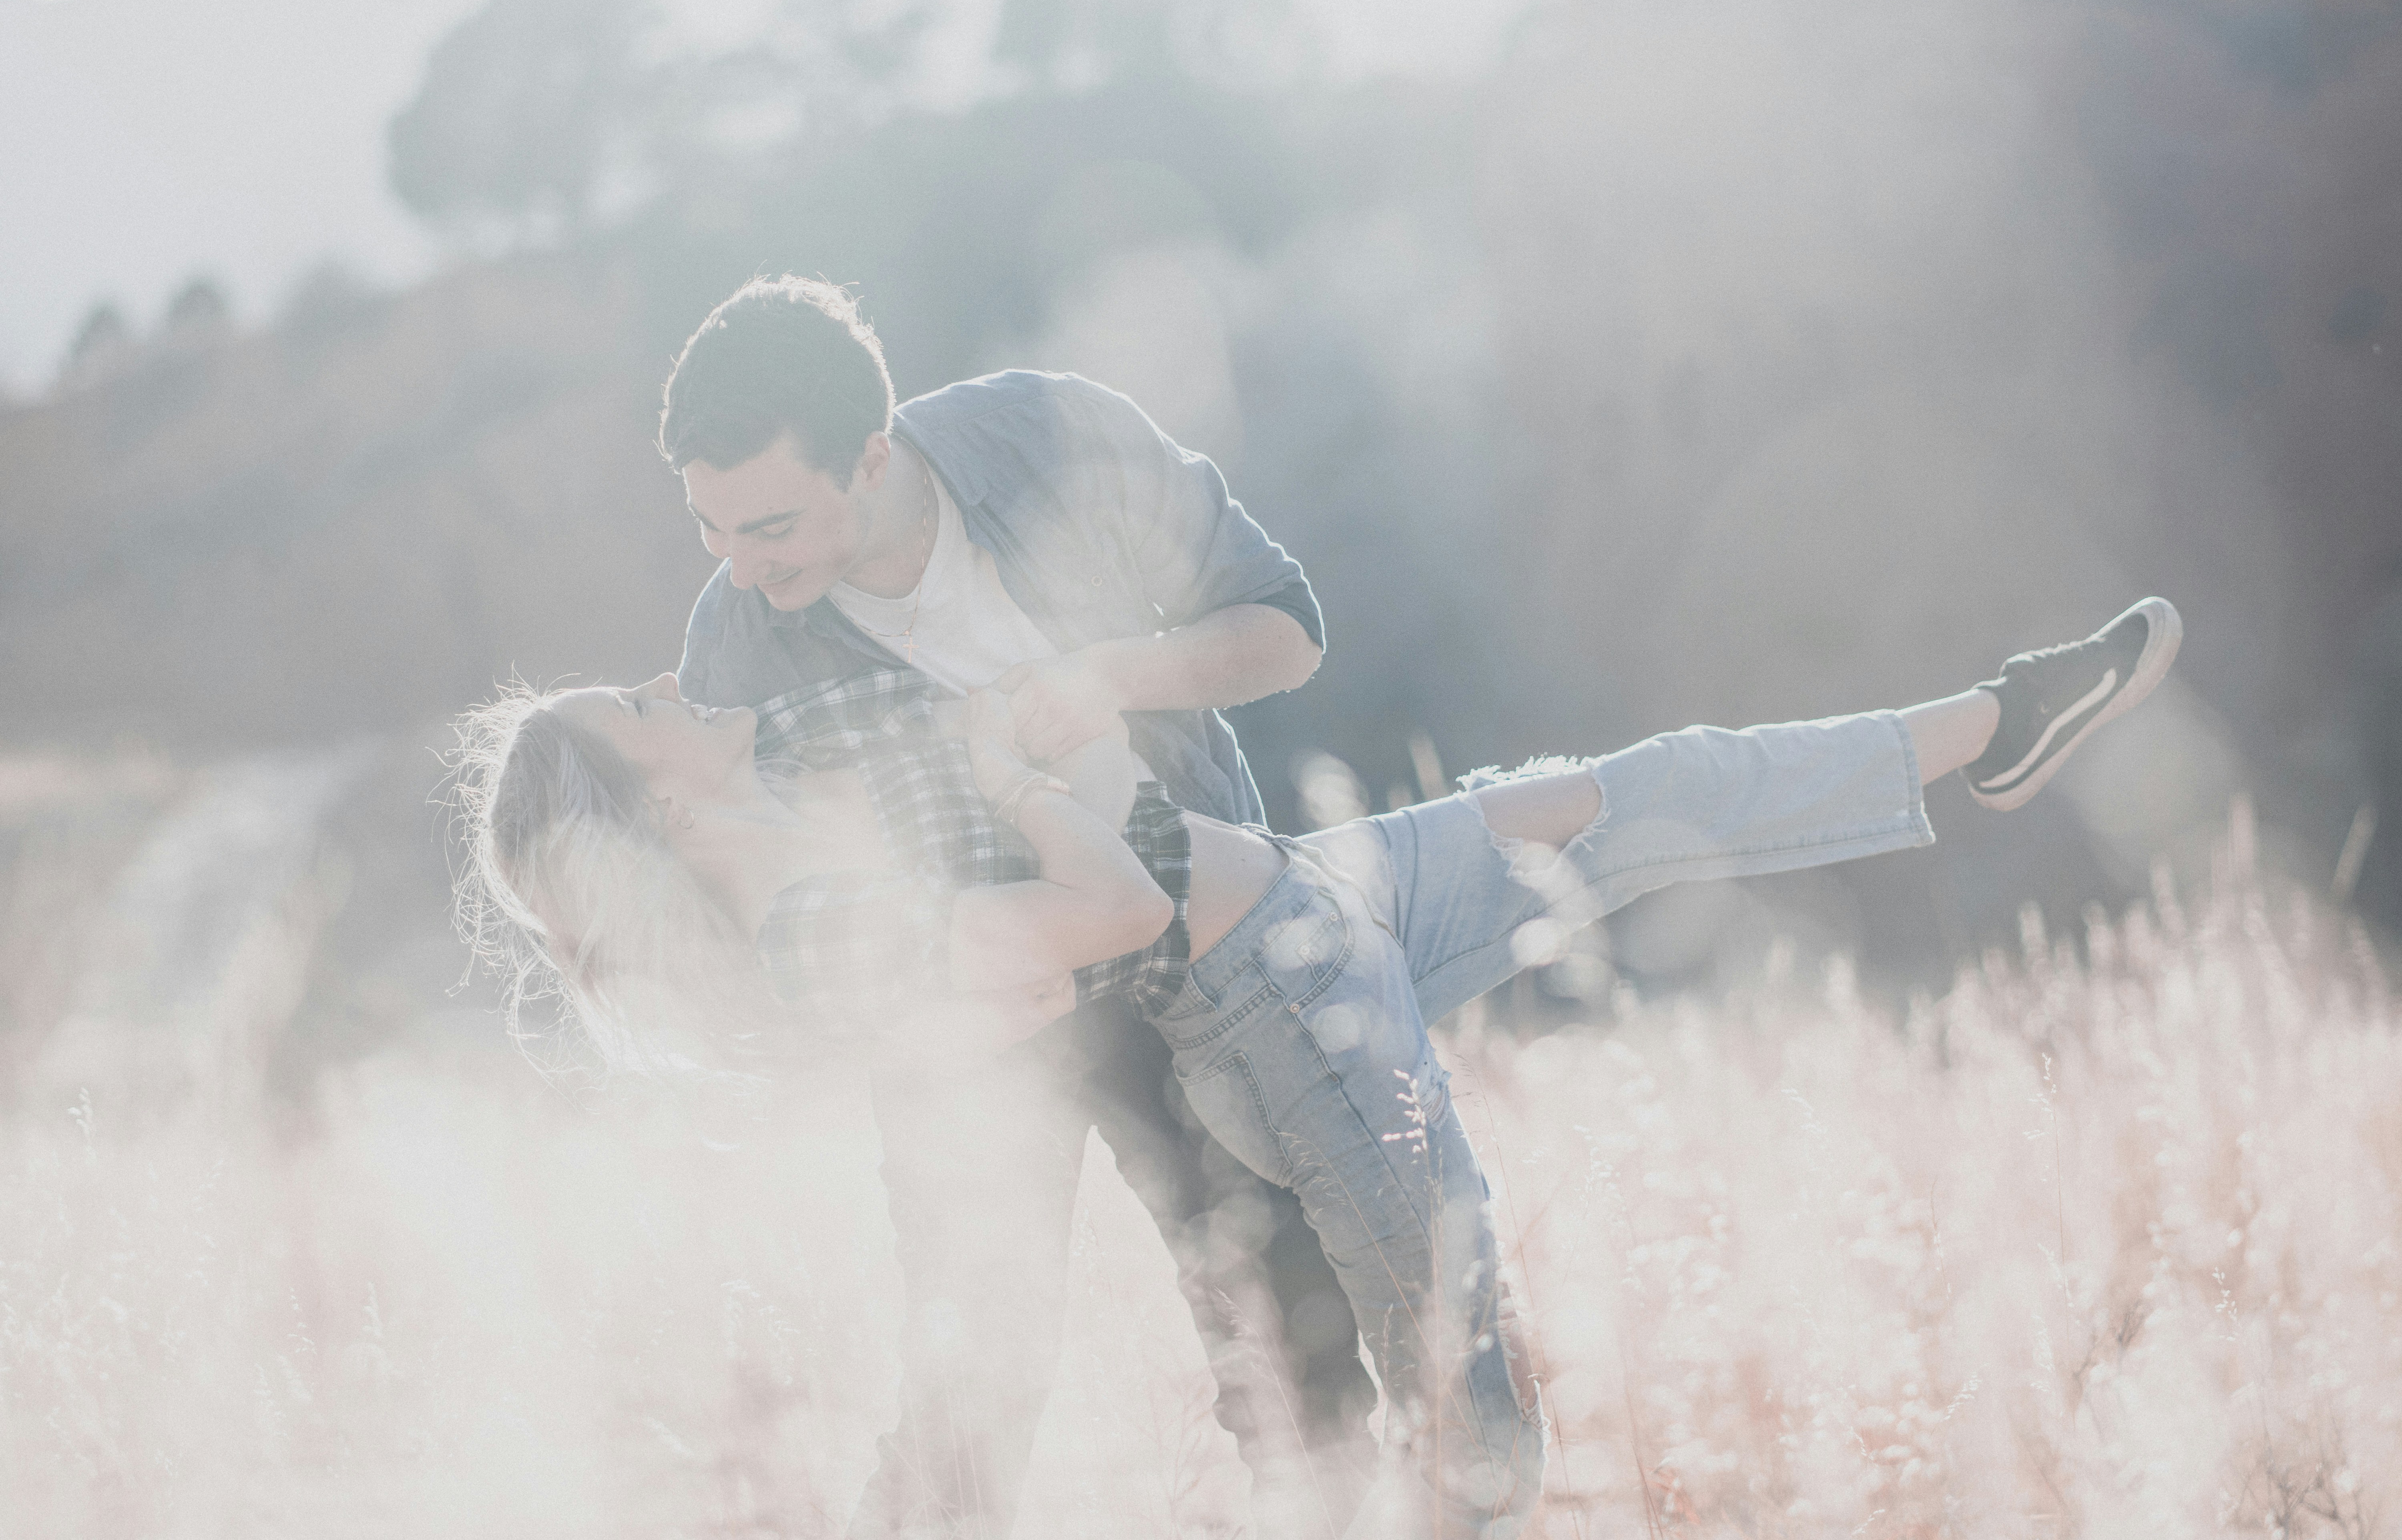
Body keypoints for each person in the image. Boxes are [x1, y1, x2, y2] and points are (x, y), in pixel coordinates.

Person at [452, 596, 2183, 1539]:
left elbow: (1020, 987)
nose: (669, 685)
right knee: (1461, 1392)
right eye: (640, 711)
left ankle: (1992, 725)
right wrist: (1034, 784)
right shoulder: (820, 928)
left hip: (1318, 895)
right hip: (1274, 998)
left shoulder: (809, 821)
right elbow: (1105, 921)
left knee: (1654, 787)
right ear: (653, 804)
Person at [655, 276, 1370, 1534]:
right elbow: (755, 907)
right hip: (965, 1030)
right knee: (971, 1388)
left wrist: (1112, 677)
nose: (740, 568)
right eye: (709, 530)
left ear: (870, 458)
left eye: (768, 526)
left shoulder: (1050, 439)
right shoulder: (739, 641)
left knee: (1286, 1334)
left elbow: (1289, 633)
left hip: (1184, 956)